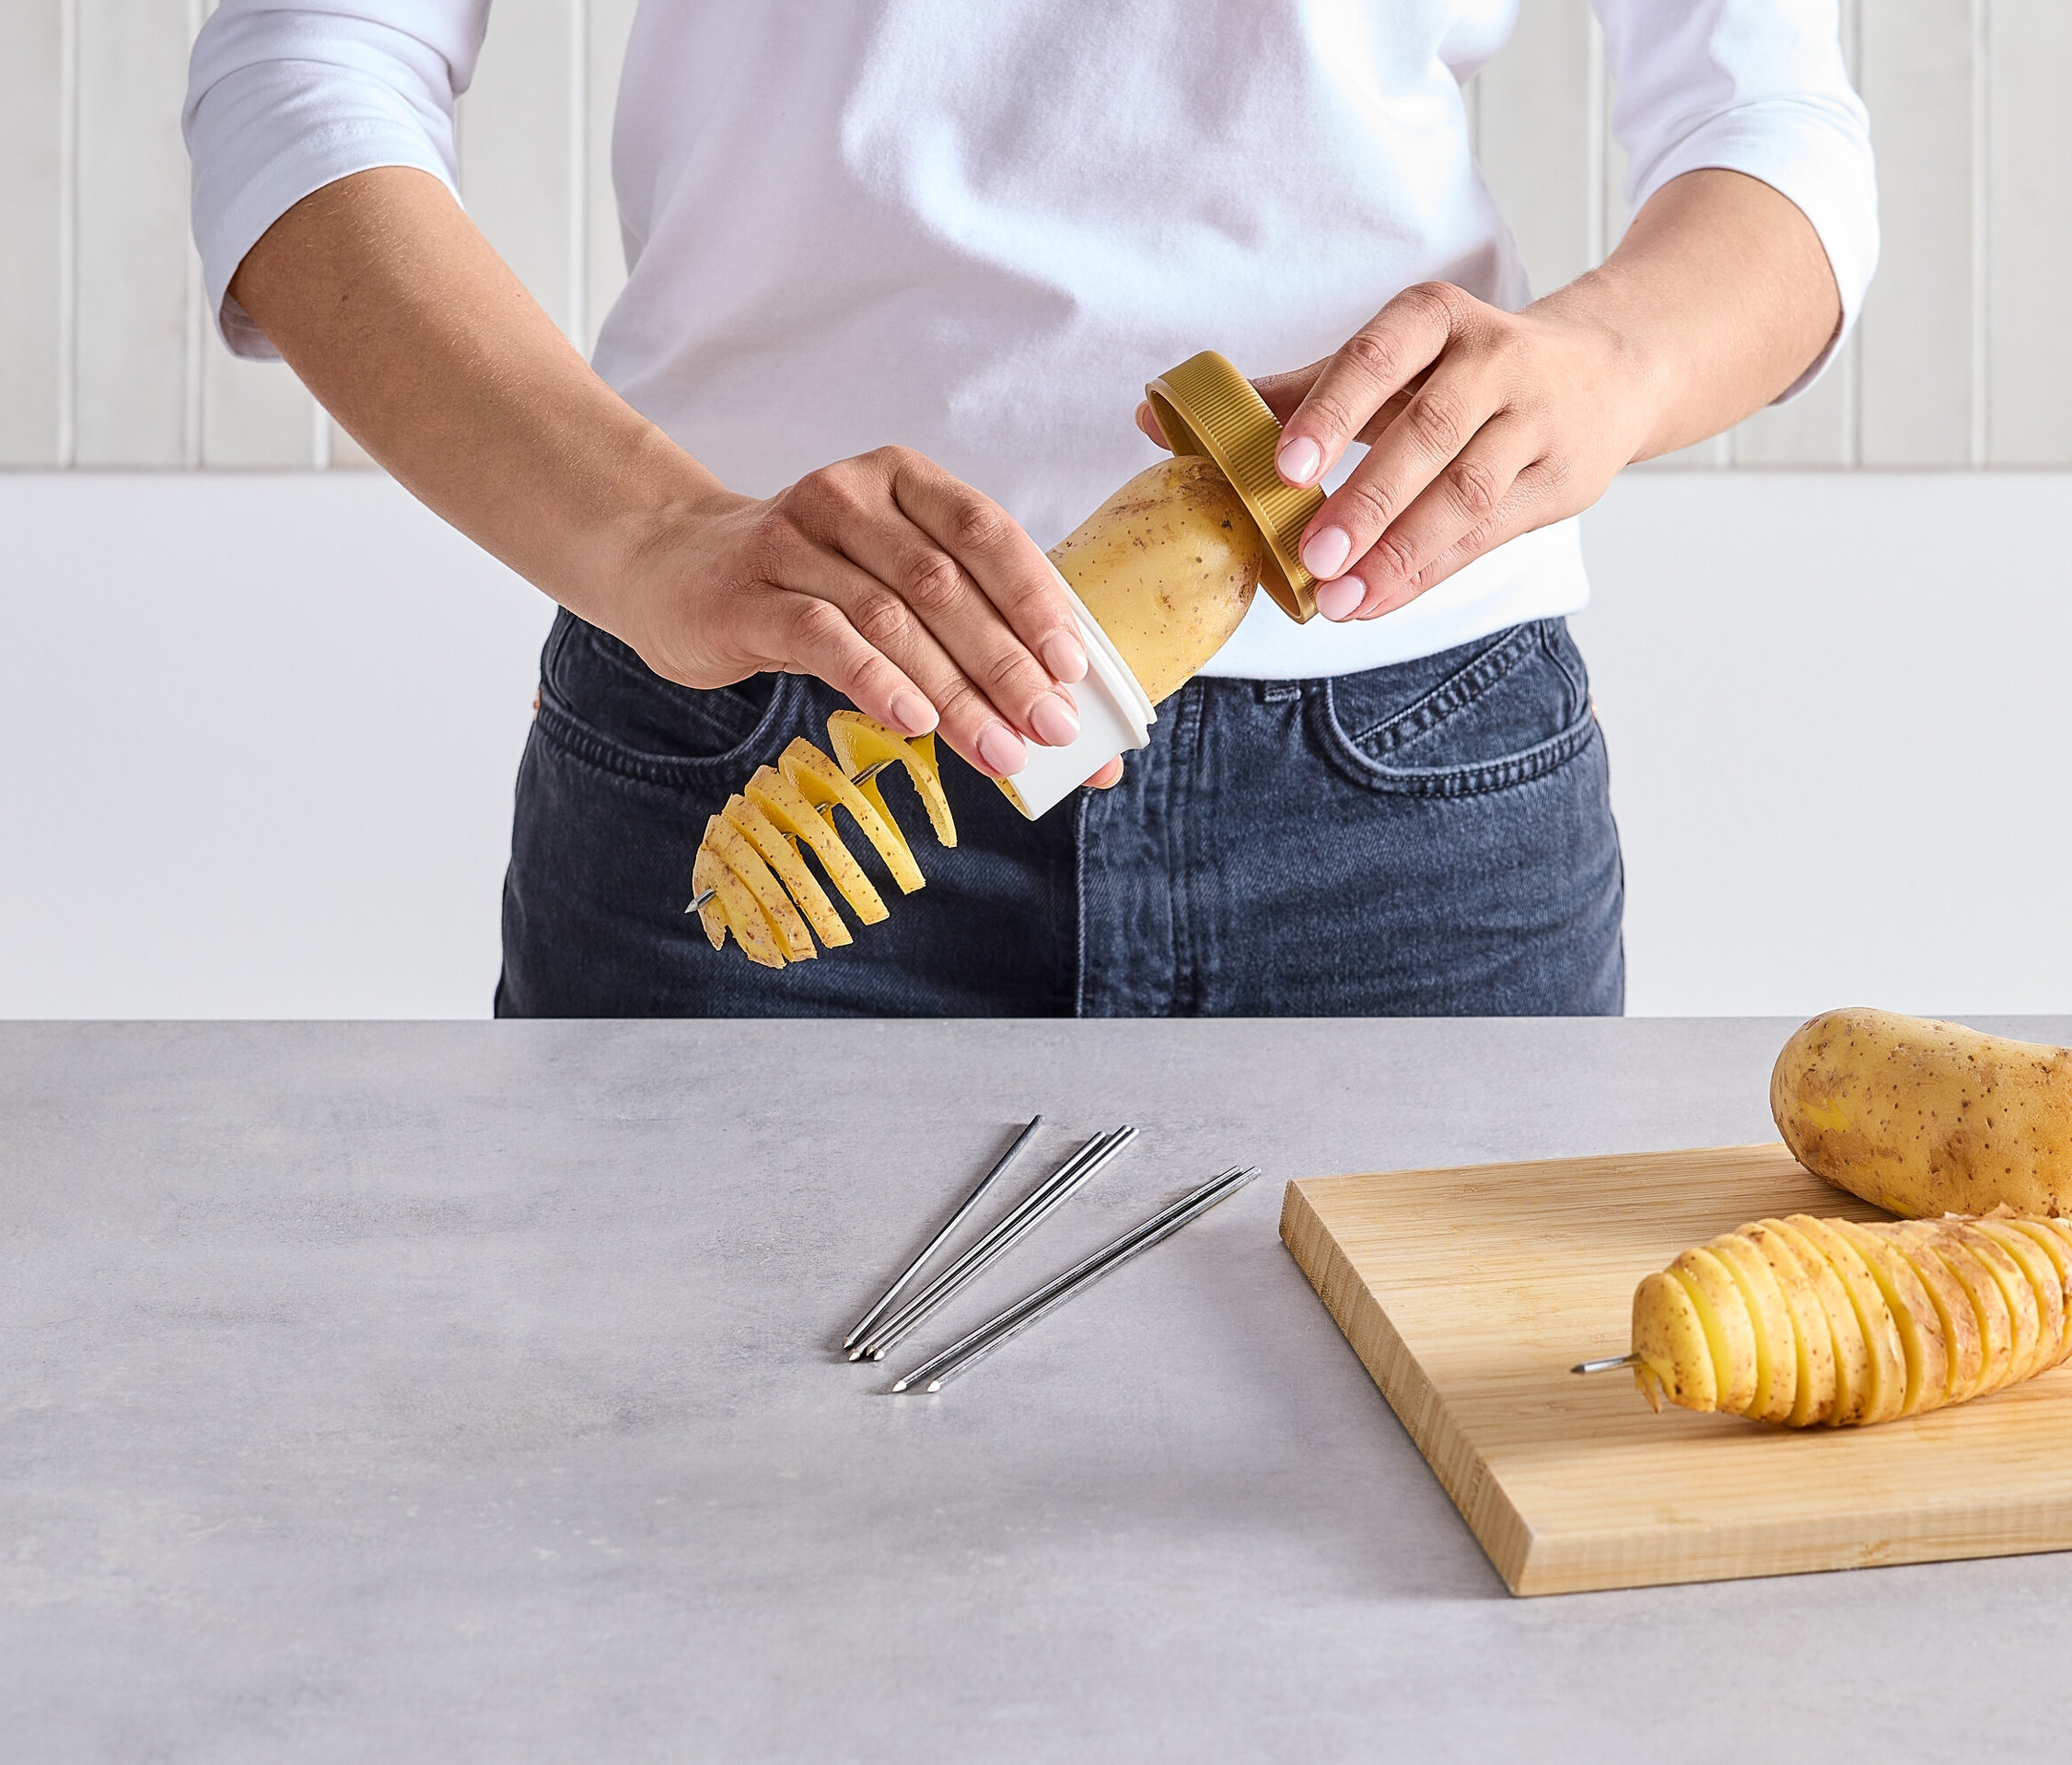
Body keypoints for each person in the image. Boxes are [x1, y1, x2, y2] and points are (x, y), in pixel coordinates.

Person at [185, 1, 1875, 1018]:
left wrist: (1606, 366)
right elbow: (308, 64)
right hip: (772, 745)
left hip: (1400, 796)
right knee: (688, 1574)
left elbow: (1772, 119)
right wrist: (646, 533)